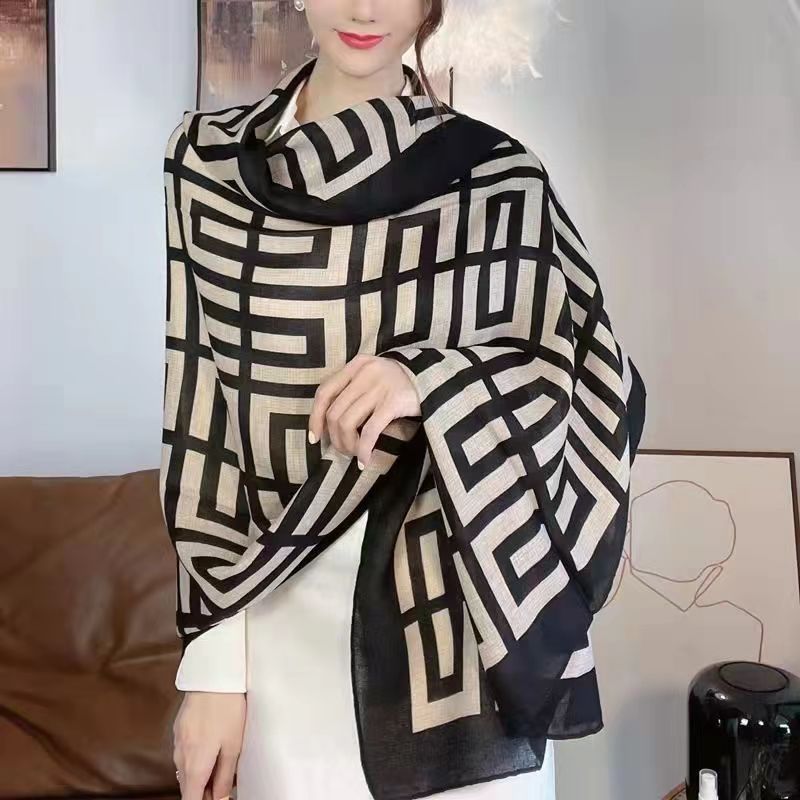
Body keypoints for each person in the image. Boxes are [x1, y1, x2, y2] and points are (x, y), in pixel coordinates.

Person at [162, 1, 646, 799]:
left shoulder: (499, 178)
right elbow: (201, 413)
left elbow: (588, 376)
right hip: (280, 620)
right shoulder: (207, 168)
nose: (364, 8)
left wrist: (427, 378)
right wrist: (213, 665)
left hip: (462, 627)